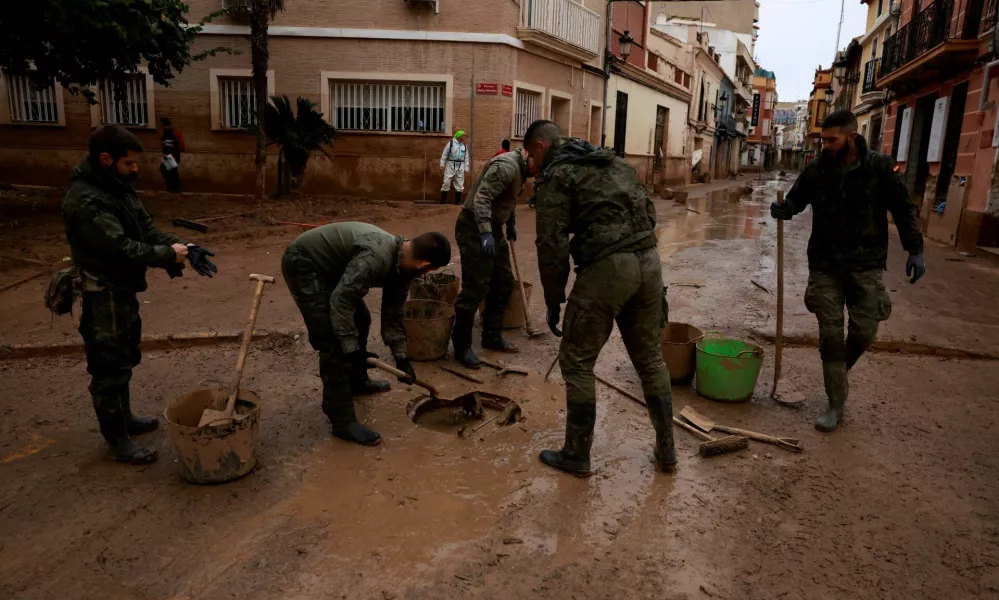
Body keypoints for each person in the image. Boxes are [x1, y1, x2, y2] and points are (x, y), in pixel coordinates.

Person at [525, 120, 674, 476]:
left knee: (576, 361)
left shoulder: (557, 174)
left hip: (609, 268)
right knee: (651, 360)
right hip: (649, 263)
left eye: (530, 156)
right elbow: (649, 213)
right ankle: (667, 452)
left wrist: (553, 297)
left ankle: (577, 455)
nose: (530, 165)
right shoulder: (614, 162)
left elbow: (551, 244)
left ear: (542, 148)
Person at [62, 125, 217, 464]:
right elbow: (121, 248)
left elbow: (146, 230)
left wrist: (185, 247)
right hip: (100, 292)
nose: (136, 169)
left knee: (125, 356)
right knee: (107, 366)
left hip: (122, 288)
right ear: (106, 159)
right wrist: (166, 255)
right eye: (129, 163)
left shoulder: (119, 189)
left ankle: (126, 418)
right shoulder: (86, 199)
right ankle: (117, 440)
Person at [772, 110, 925, 433]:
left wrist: (916, 248)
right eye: (823, 139)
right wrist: (783, 209)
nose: (826, 145)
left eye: (832, 139)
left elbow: (903, 208)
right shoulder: (816, 171)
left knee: (865, 330)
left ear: (851, 137)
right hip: (825, 264)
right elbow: (796, 201)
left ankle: (838, 369)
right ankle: (835, 401)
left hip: (866, 264)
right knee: (830, 334)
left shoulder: (880, 169)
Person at [282, 223, 451, 446]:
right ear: (426, 266)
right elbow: (341, 301)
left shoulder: (404, 266)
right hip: (305, 262)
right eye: (432, 270)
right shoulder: (376, 258)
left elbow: (393, 313)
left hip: (333, 267)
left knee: (362, 319)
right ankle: (342, 420)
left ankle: (357, 381)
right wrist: (350, 349)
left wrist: (401, 356)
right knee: (333, 340)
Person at [450, 146, 529, 367]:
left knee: (503, 282)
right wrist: (485, 233)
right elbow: (482, 198)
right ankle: (461, 346)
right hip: (473, 225)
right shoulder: (506, 167)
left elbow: (507, 198)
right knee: (475, 287)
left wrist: (510, 223)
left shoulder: (523, 169)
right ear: (533, 150)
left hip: (492, 227)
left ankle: (491, 336)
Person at [440, 130, 470, 205]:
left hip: (460, 165)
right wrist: (442, 164)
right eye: (463, 135)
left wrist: (466, 168)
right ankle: (443, 202)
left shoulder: (464, 146)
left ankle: (457, 203)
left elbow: (466, 157)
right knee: (446, 182)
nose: (464, 137)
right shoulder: (451, 144)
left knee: (459, 184)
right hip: (450, 164)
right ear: (459, 136)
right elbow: (444, 154)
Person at [159, 117, 184, 193]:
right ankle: (175, 189)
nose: (159, 125)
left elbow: (168, 145)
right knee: (172, 171)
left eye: (160, 123)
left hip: (170, 156)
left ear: (163, 124)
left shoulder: (167, 132)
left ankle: (172, 189)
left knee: (165, 170)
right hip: (174, 155)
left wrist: (166, 155)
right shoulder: (171, 131)